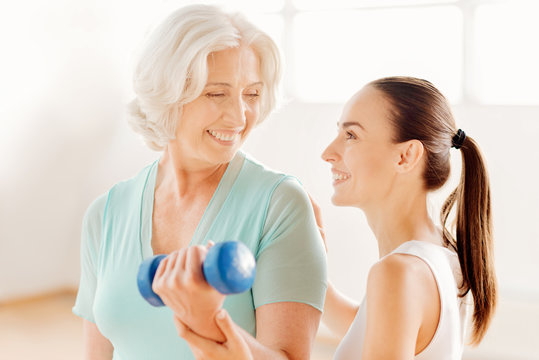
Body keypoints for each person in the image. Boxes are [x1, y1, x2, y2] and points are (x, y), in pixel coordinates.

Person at [176, 77, 497, 359]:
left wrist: (222, 334)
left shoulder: (397, 273)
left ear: (406, 155)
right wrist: (310, 270)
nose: (328, 152)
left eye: (351, 136)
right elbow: (374, 326)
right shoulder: (445, 258)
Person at [72, 5, 327, 360]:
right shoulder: (106, 214)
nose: (240, 116)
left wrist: (208, 321)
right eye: (216, 93)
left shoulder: (280, 204)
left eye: (251, 94)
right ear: (167, 94)